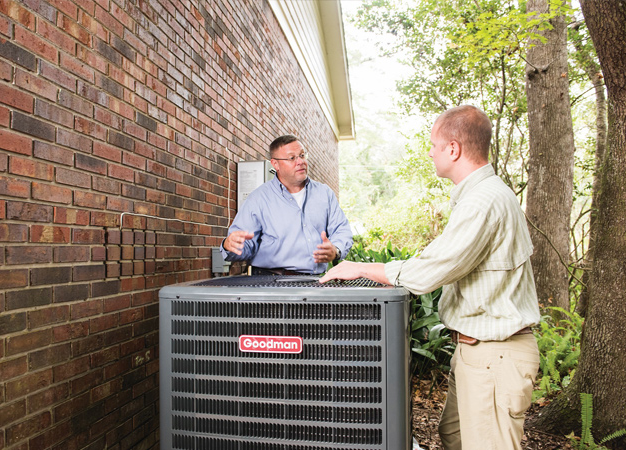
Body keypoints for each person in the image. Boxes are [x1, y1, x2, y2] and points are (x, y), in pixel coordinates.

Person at [320, 105, 540, 449]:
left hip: (495, 356)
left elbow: (426, 272)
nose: (430, 152)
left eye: (434, 145)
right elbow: (439, 259)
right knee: (453, 436)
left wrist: (359, 268)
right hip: (476, 351)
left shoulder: (483, 201)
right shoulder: (480, 197)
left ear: (453, 149)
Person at [221, 134, 353, 275]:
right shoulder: (258, 199)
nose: (300, 161)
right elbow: (243, 247)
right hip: (268, 283)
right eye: (292, 158)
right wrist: (229, 246)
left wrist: (336, 250)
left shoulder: (324, 194)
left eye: (302, 155)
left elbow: (342, 230)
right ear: (275, 164)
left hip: (313, 283)